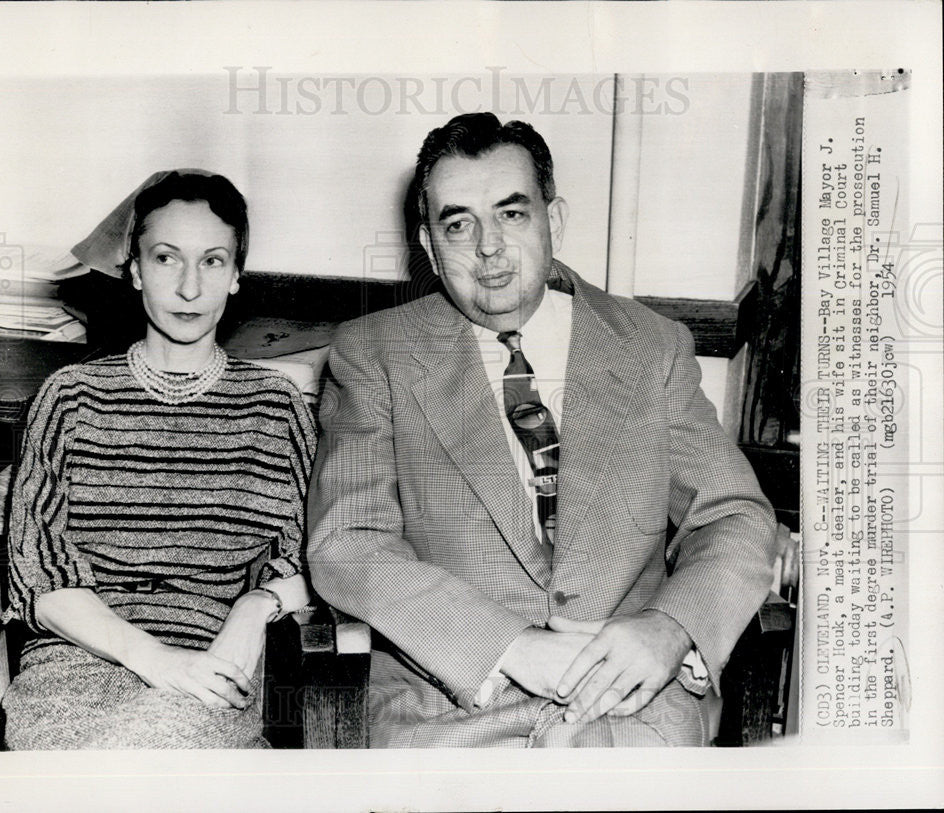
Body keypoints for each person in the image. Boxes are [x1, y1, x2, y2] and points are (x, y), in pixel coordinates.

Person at [307, 113, 778, 747]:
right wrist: (510, 647)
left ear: (553, 219)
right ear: (427, 243)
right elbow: (347, 543)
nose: (488, 248)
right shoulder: (373, 353)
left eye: (512, 214)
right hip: (450, 714)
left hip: (632, 709)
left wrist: (670, 628)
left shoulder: (650, 347)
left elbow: (736, 516)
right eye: (458, 224)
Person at [0, 170, 317, 749]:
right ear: (136, 269)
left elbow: (320, 560)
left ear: (237, 275)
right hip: (73, 668)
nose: (191, 288)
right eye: (167, 258)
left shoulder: (275, 408)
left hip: (211, 664)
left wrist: (254, 607)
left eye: (213, 261)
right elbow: (39, 574)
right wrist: (153, 658)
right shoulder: (71, 396)